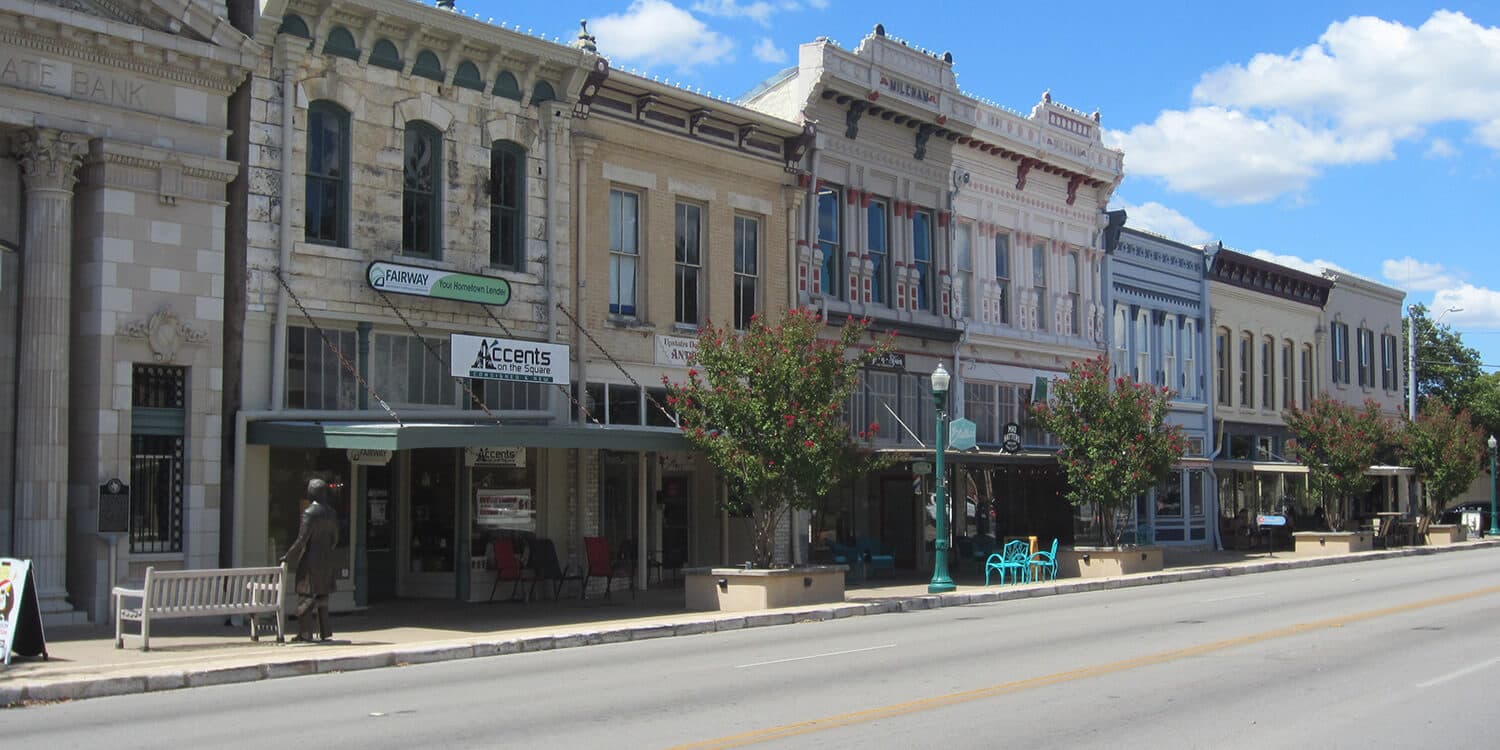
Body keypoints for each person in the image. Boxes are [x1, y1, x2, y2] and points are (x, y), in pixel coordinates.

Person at [280, 478, 339, 642]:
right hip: (326, 561)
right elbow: (335, 539)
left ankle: (305, 633)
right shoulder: (331, 513)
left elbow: (301, 540)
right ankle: (325, 632)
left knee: (305, 596)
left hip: (310, 562)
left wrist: (288, 556)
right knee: (323, 597)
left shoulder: (310, 513)